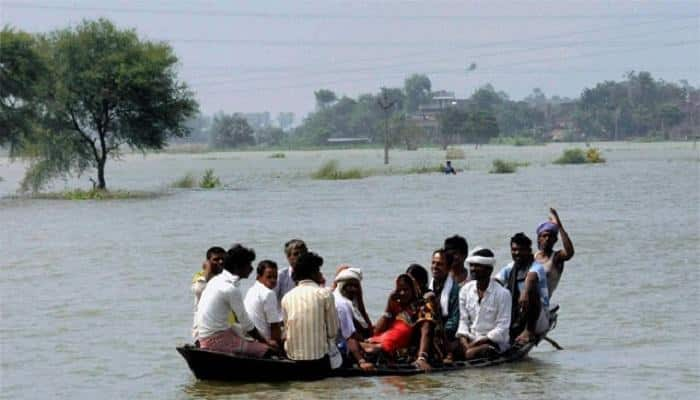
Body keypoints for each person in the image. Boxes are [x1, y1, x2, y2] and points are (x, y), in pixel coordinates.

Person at [195, 244, 276, 356]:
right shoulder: (230, 289)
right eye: (249, 265)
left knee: (250, 339)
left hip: (207, 335)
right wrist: (266, 342)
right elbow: (246, 323)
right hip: (216, 340)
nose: (252, 268)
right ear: (238, 267)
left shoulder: (216, 280)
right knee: (267, 351)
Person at [363, 273, 437, 371]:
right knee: (354, 345)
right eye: (399, 290)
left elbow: (426, 332)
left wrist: (422, 358)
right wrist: (389, 306)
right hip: (380, 342)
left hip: (401, 351)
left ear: (413, 290)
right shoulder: (397, 307)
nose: (402, 293)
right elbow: (377, 332)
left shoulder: (422, 307)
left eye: (405, 290)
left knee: (369, 349)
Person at [281, 252, 338, 376]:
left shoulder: (287, 297)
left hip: (293, 359)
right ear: (313, 273)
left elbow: (286, 330)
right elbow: (333, 332)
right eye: (318, 270)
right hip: (318, 359)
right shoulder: (324, 294)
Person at [456, 248, 512, 360]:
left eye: (477, 266)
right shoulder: (465, 290)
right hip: (470, 340)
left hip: (492, 343)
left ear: (489, 270)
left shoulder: (503, 294)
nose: (472, 269)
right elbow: (463, 321)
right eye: (471, 265)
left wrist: (475, 344)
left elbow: (502, 328)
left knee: (472, 353)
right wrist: (465, 341)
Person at [495, 233, 550, 345]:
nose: (517, 253)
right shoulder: (510, 267)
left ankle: (529, 331)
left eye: (521, 250)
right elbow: (496, 281)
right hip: (517, 314)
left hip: (538, 319)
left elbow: (531, 277)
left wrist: (525, 292)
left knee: (531, 291)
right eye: (514, 250)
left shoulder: (537, 267)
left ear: (529, 251)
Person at [332, 268, 375, 371]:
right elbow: (349, 336)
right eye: (349, 286)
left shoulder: (337, 298)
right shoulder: (342, 304)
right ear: (342, 286)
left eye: (356, 286)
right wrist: (361, 361)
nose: (353, 289)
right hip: (338, 349)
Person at [534, 208, 575, 298]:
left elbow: (570, 252)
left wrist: (559, 225)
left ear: (555, 240)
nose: (547, 239)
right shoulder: (534, 257)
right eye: (544, 236)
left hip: (542, 304)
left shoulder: (556, 258)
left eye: (550, 236)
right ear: (539, 239)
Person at [244, 260, 283, 346]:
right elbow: (274, 326)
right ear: (258, 277)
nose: (273, 280)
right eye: (269, 277)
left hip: (251, 337)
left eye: (275, 277)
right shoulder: (268, 293)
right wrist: (279, 347)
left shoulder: (252, 290)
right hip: (264, 340)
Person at [191, 246, 226, 341]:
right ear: (208, 262)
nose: (220, 262)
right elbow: (198, 289)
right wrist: (207, 271)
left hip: (225, 328)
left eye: (223, 259)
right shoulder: (200, 276)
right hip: (205, 331)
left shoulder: (226, 278)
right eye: (216, 260)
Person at [429, 249, 461, 341]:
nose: (435, 267)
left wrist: (438, 333)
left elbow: (454, 322)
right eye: (433, 263)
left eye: (439, 264)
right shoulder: (427, 288)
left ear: (449, 267)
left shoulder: (456, 291)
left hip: (447, 335)